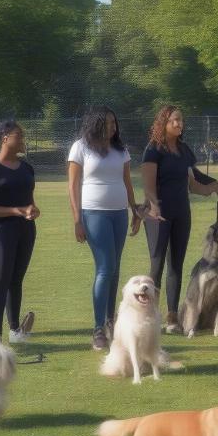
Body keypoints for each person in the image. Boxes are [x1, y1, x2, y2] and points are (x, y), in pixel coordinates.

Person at [140, 105, 218, 334]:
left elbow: (193, 182)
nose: (179, 124)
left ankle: (172, 317)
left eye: (181, 120)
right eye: (174, 120)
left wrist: (213, 186)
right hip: (158, 214)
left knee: (175, 265)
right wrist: (154, 206)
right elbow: (147, 184)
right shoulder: (153, 149)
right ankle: (149, 315)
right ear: (164, 122)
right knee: (156, 265)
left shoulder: (185, 151)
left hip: (181, 212)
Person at [68, 105, 141, 350]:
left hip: (119, 214)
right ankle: (98, 328)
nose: (113, 127)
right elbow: (73, 185)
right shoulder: (81, 147)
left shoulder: (121, 150)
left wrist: (135, 210)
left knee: (115, 270)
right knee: (105, 268)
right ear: (96, 124)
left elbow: (127, 182)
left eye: (114, 123)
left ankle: (112, 323)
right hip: (94, 213)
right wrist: (77, 219)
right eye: (108, 123)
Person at [0, 121, 39, 345]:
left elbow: (29, 201)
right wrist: (15, 211)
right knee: (1, 280)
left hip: (26, 229)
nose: (23, 139)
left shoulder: (27, 168)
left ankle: (15, 330)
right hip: (0, 231)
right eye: (18, 135)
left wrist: (32, 210)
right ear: (4, 138)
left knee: (16, 279)